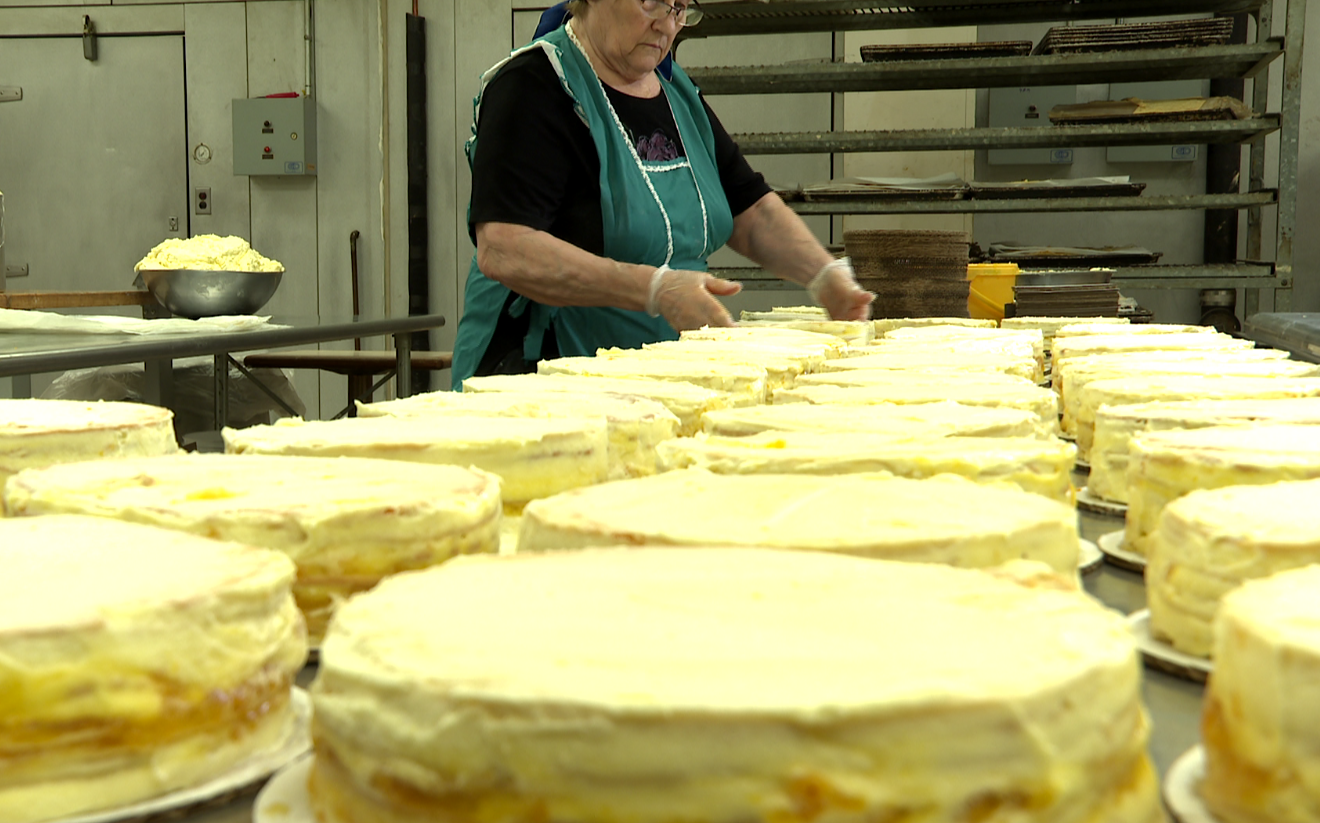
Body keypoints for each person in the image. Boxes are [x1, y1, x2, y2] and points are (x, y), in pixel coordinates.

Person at [451, 0, 874, 386]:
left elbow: (751, 210)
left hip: (655, 375)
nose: (666, 25)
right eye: (651, 2)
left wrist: (824, 276)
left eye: (679, 9)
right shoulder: (533, 86)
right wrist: (654, 289)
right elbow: (505, 248)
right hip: (543, 377)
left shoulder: (677, 94)